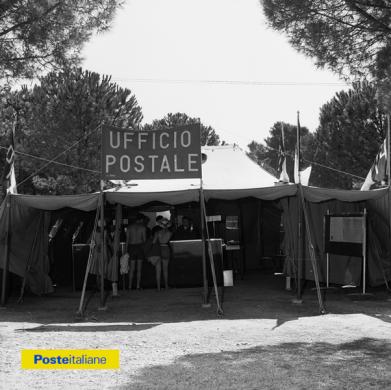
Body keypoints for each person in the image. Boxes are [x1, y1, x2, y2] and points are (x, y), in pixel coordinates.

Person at [126, 213, 146, 290]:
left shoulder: (129, 227)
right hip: (140, 247)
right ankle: (137, 286)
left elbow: (127, 240)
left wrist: (126, 251)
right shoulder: (143, 228)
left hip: (131, 247)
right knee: (139, 269)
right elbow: (144, 240)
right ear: (140, 220)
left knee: (132, 268)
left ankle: (130, 286)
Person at [157, 217, 173, 289]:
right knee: (165, 269)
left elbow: (154, 241)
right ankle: (166, 286)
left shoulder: (158, 233)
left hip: (159, 248)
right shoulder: (170, 233)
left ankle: (158, 287)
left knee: (158, 269)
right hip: (166, 248)